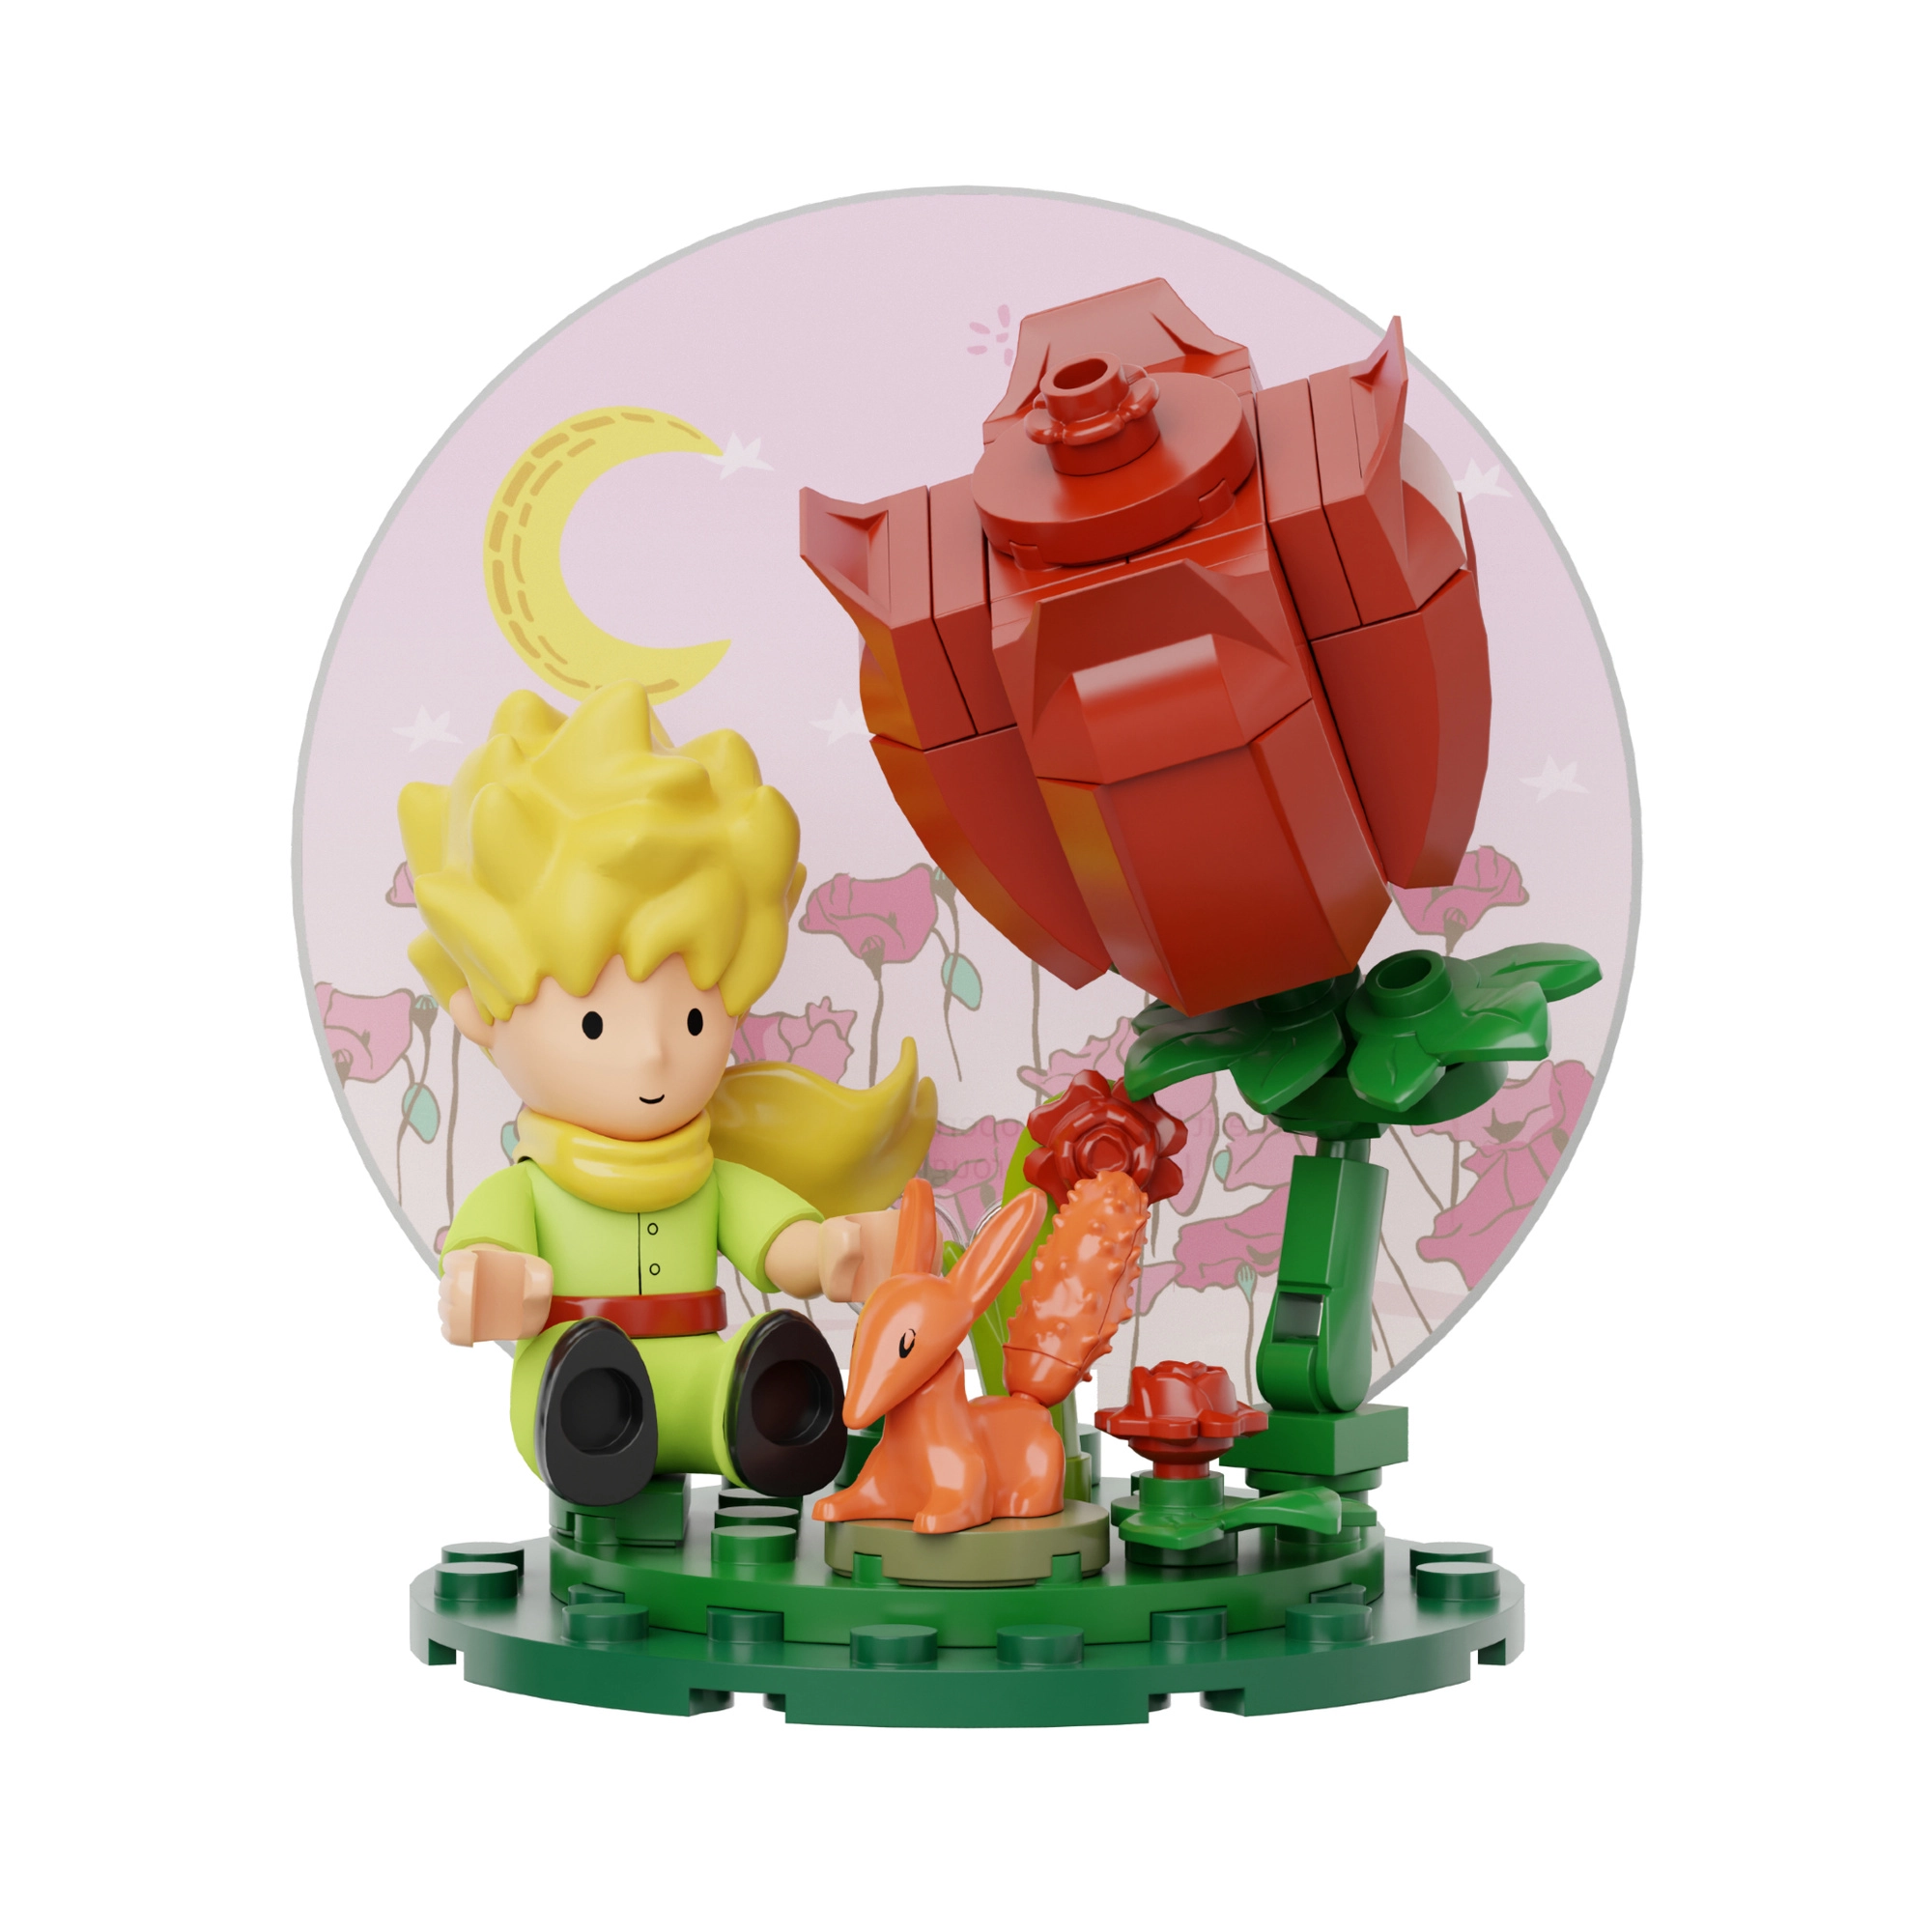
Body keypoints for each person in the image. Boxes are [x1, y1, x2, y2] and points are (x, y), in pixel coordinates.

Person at [398, 681, 934, 1504]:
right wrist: (491, 1287)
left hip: (698, 1362)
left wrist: (834, 1253)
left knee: (744, 1381)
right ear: (477, 1006)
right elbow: (485, 1263)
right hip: (569, 1368)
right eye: (594, 1025)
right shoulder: (530, 1190)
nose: (653, 1055)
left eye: (691, 1020)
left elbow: (779, 1247)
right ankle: (594, 1424)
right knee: (590, 1388)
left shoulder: (708, 1179)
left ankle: (760, 1419)